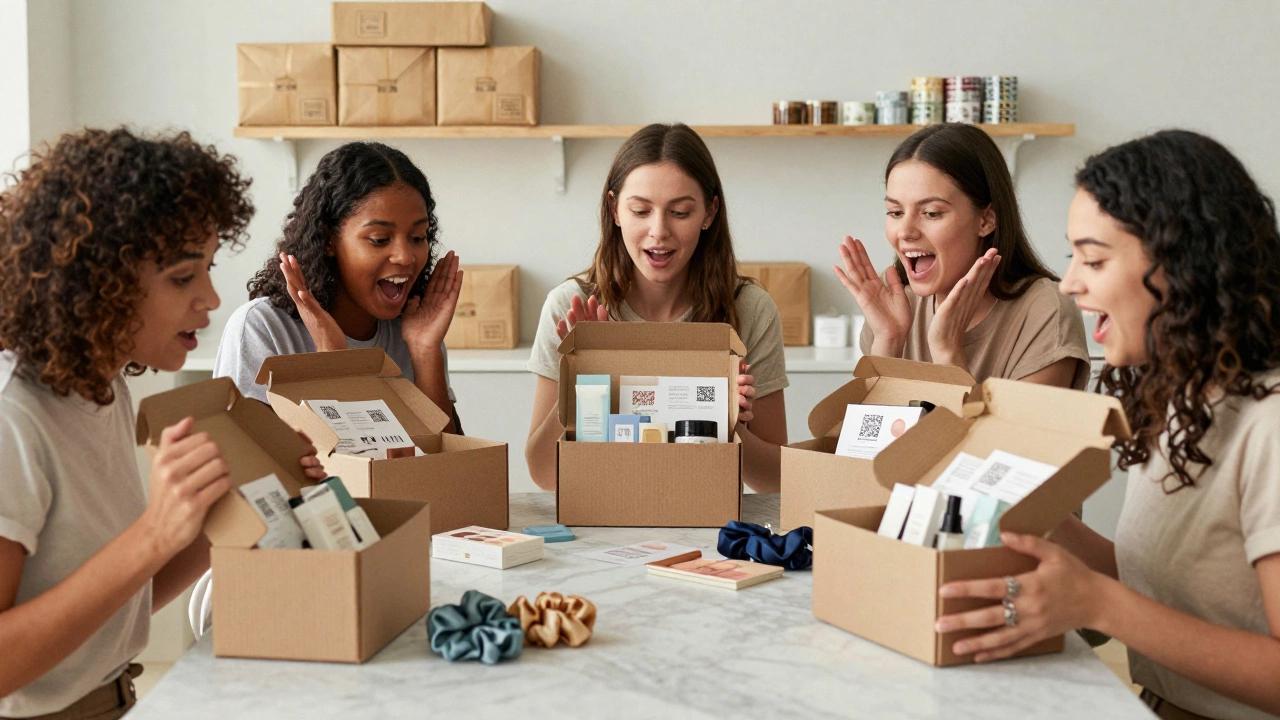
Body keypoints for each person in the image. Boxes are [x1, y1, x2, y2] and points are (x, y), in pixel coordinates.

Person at [935, 130, 1280, 719]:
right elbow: (1167, 584)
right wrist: (1028, 511)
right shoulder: (1185, 397)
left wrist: (1100, 605)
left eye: (1093, 259)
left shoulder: (1269, 422)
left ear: (1185, 266)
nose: (1070, 282)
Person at [0, 128, 326, 719]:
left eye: (207, 267)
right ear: (97, 283)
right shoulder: (11, 416)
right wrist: (153, 532)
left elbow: (115, 606)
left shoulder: (102, 389)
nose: (209, 296)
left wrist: (236, 506)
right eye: (183, 276)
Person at [525, 123, 789, 492]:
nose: (659, 231)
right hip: (602, 516)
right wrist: (583, 378)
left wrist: (731, 424)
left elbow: (775, 480)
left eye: (679, 212)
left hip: (708, 521)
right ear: (614, 209)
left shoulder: (750, 310)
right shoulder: (571, 307)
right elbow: (544, 474)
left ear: (709, 213)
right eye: (640, 211)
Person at [214, 142, 462, 431]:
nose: (406, 256)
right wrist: (332, 363)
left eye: (418, 237)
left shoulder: (414, 330)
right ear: (329, 240)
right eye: (380, 239)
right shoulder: (262, 329)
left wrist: (424, 351)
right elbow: (255, 469)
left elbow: (450, 465)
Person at [837, 123, 1089, 388]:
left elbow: (1023, 431)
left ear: (985, 220)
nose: (905, 232)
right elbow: (867, 430)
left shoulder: (1045, 310)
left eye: (931, 213)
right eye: (895, 212)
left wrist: (948, 352)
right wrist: (887, 341)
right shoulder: (895, 306)